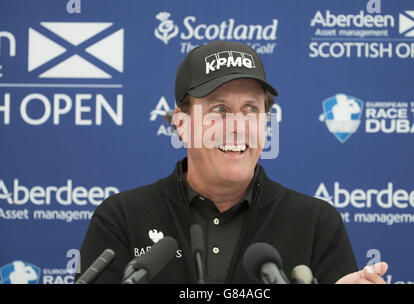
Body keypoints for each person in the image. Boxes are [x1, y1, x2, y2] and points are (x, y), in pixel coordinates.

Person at [75, 40, 388, 284]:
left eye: (251, 109)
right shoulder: (121, 219)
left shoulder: (317, 223)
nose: (237, 125)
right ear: (181, 124)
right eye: (219, 110)